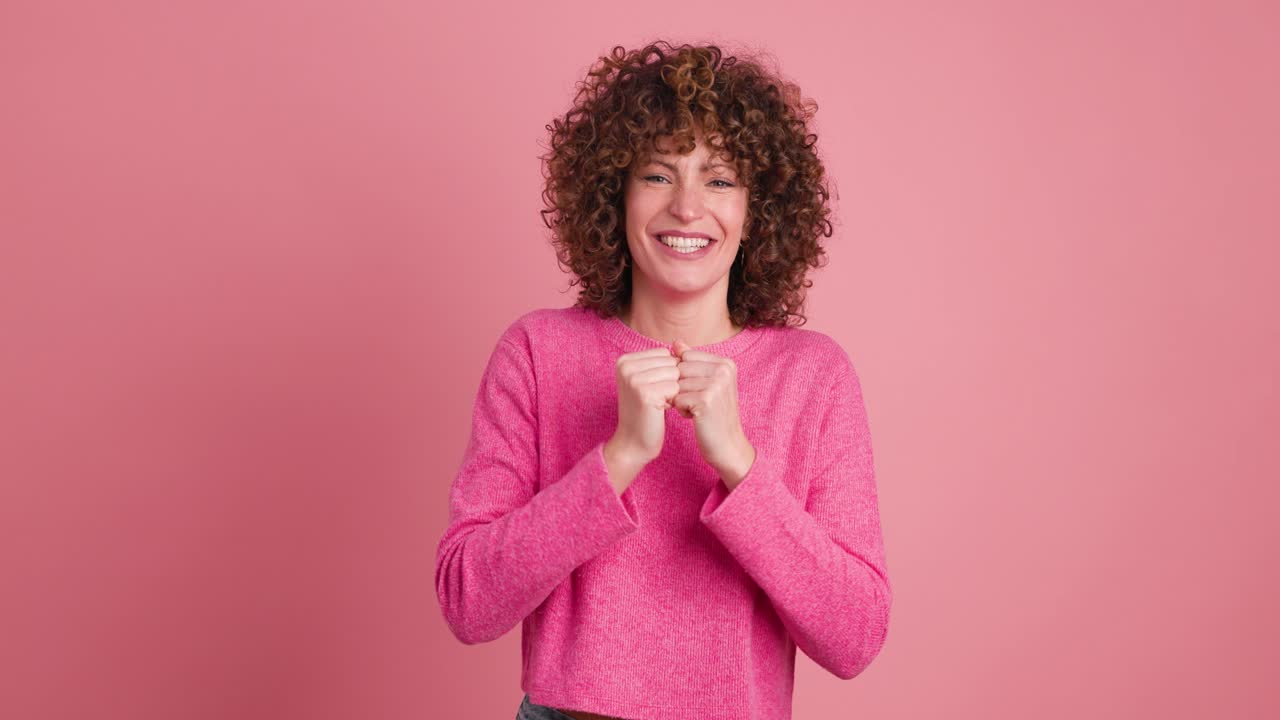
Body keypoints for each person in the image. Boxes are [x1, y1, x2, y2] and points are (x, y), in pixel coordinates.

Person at [434, 40, 892, 720]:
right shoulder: (536, 351)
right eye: (656, 175)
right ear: (611, 195)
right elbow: (469, 604)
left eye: (720, 180)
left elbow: (854, 639)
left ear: (758, 210)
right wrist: (617, 459)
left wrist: (738, 462)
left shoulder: (814, 376)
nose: (686, 207)